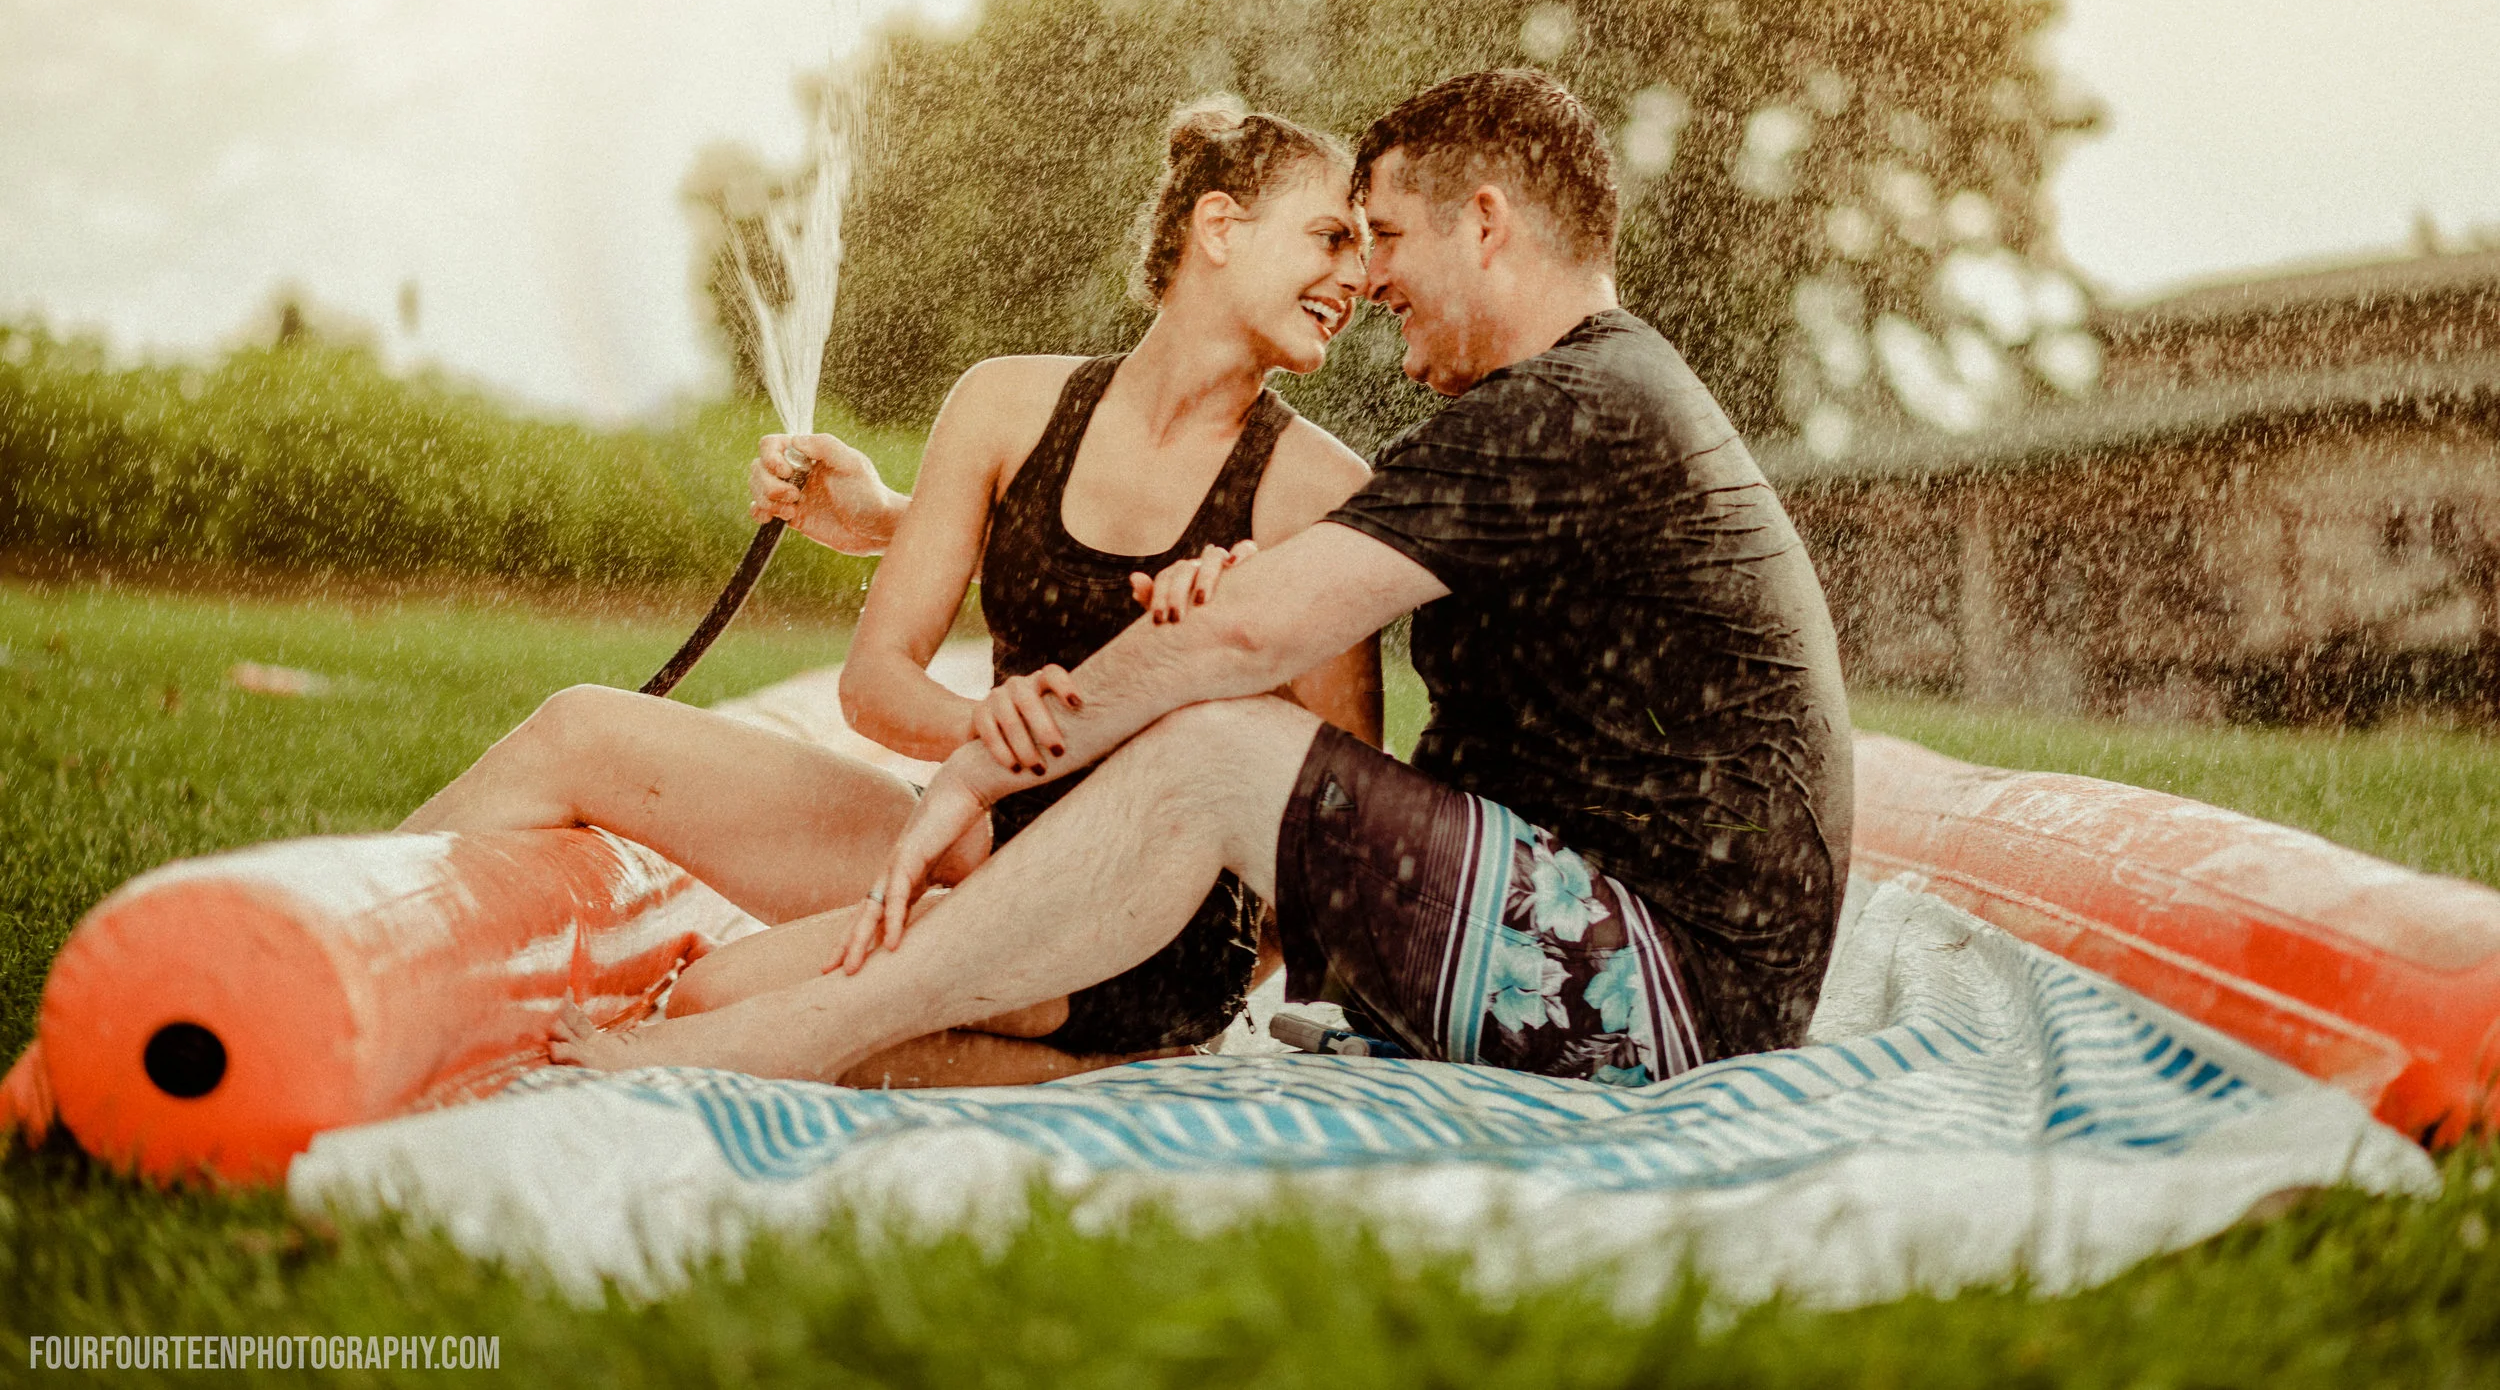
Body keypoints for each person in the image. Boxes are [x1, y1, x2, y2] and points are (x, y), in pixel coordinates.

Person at [549, 67, 1853, 1090]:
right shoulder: (1578, 403)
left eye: (1386, 236)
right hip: (1614, 939)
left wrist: (974, 770)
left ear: (1489, 223)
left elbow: (1248, 653)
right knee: (1223, 721)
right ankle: (866, 1024)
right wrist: (908, 520)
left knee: (1228, 738)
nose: (1373, 278)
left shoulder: (1574, 407)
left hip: (1670, 990)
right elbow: (1237, 598)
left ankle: (807, 1031)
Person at [405, 101, 1381, 1086]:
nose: (1358, 275)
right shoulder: (1004, 405)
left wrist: (1244, 978)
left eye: (1368, 249)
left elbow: (1345, 814)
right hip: (966, 838)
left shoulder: (1318, 490)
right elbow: (875, 684)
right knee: (580, 730)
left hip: (1133, 925)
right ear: (1219, 228)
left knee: (713, 1004)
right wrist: (983, 725)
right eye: (1332, 236)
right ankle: (313, 923)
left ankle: (1107, 1046)